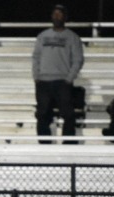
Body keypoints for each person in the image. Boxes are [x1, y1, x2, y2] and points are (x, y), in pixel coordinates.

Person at [32, 4, 84, 144]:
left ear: (65, 17)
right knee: (42, 114)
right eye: (55, 14)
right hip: (43, 82)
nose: (57, 17)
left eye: (60, 14)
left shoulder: (72, 37)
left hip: (62, 82)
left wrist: (69, 78)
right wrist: (36, 76)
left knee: (68, 114)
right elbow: (36, 57)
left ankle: (68, 143)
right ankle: (45, 144)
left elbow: (78, 59)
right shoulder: (42, 36)